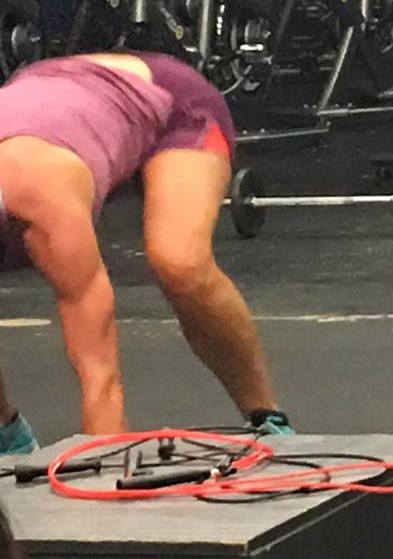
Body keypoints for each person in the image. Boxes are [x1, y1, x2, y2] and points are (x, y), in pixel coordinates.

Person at [0, 48, 293, 452]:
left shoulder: (43, 202)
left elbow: (100, 376)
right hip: (56, 97)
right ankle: (6, 434)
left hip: (167, 99)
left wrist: (100, 478)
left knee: (180, 262)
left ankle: (268, 417)